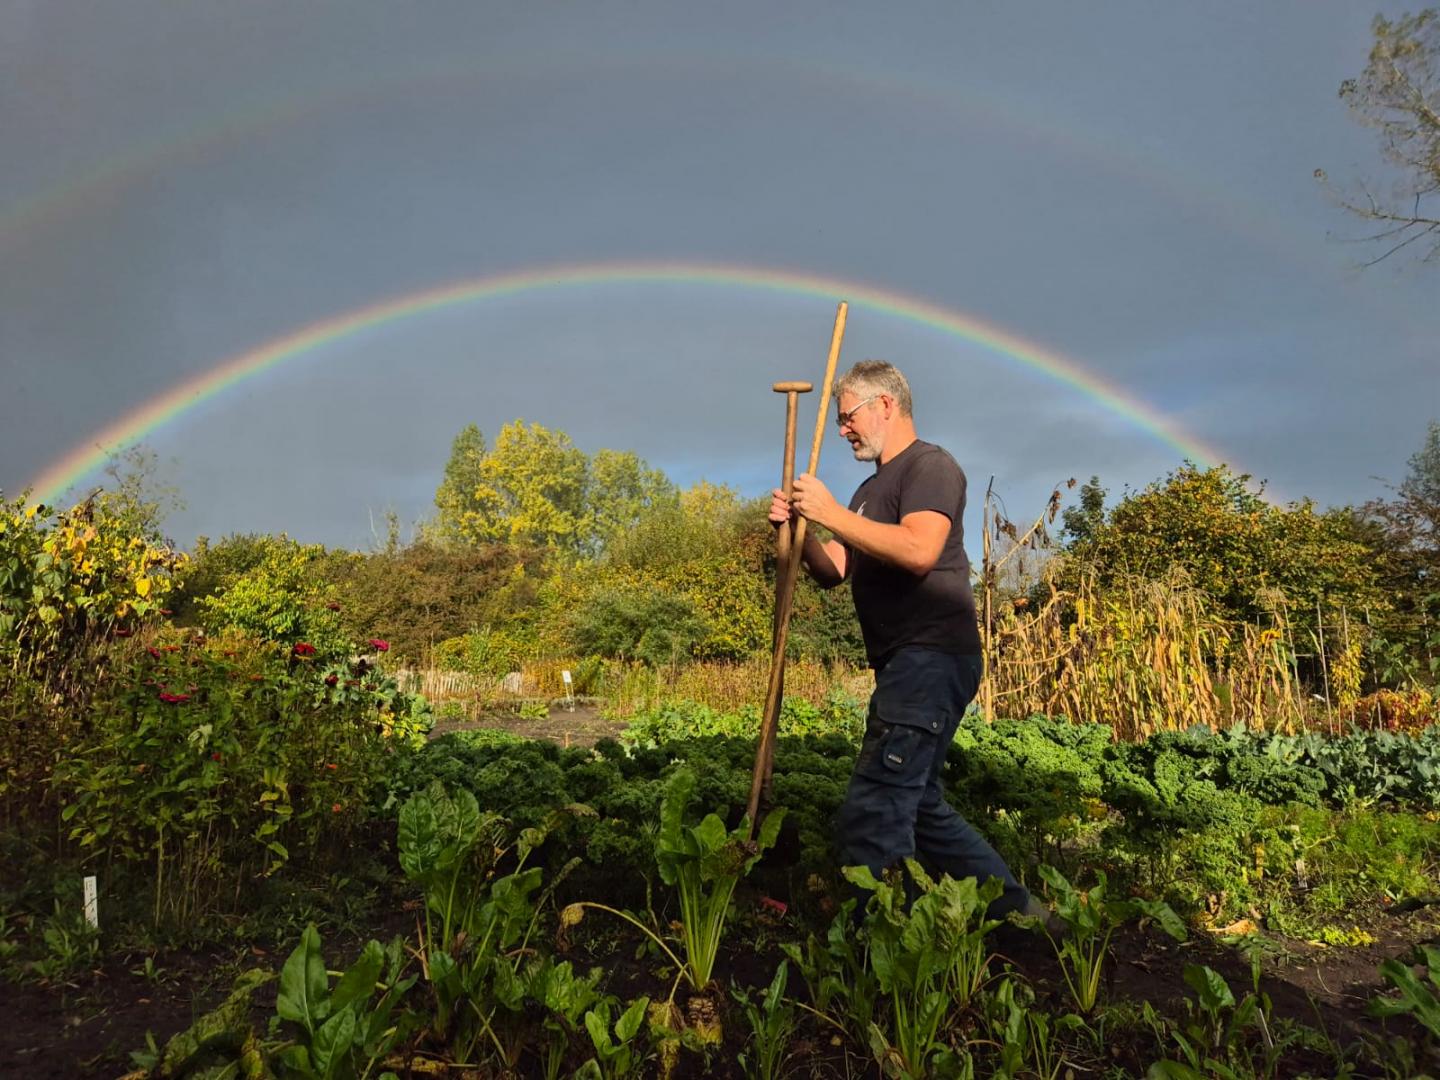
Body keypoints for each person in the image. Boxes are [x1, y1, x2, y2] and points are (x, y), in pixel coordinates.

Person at [769, 359, 1036, 918]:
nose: (843, 430)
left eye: (849, 417)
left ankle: (887, 953)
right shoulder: (870, 492)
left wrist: (830, 511)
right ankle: (1021, 918)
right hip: (908, 662)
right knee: (918, 807)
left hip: (931, 655)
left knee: (876, 811)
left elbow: (918, 550)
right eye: (839, 420)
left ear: (884, 404)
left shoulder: (930, 467)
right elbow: (833, 570)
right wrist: (801, 529)